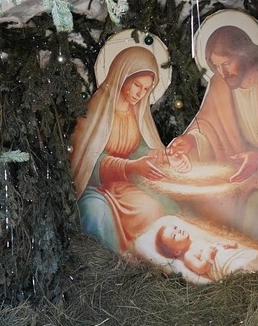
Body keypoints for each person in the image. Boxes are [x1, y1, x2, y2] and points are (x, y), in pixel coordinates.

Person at [167, 24, 258, 247]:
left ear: (245, 54)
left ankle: (256, 261)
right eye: (217, 66)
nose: (223, 73)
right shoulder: (220, 83)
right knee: (198, 202)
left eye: (227, 63)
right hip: (238, 175)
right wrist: (191, 140)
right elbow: (208, 125)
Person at [70, 46, 182, 252]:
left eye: (146, 89)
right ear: (122, 77)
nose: (140, 94)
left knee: (153, 207)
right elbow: (89, 161)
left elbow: (137, 148)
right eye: (137, 85)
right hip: (96, 187)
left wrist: (156, 155)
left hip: (125, 185)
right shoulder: (96, 110)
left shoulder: (136, 112)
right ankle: (112, 263)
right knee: (94, 214)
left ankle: (144, 260)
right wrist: (130, 167)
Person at [154, 217, 258, 282]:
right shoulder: (188, 255)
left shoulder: (199, 240)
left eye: (176, 228)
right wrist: (207, 257)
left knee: (255, 255)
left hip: (232, 255)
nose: (178, 231)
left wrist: (227, 244)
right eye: (174, 235)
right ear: (176, 251)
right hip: (225, 266)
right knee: (241, 267)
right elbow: (200, 268)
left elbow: (216, 244)